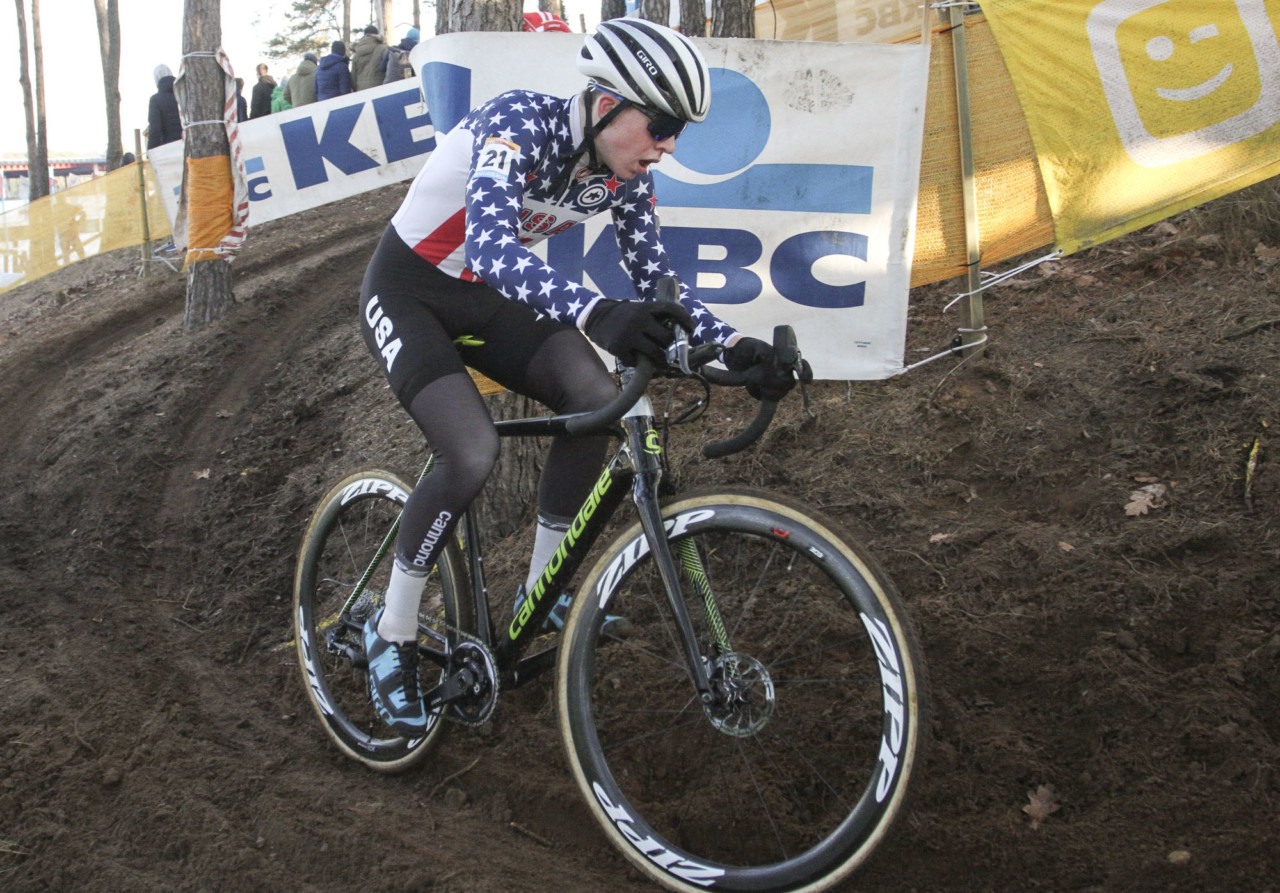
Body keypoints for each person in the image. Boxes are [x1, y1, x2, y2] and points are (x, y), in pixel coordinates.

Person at [356, 20, 806, 734]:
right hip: (409, 291)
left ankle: (544, 586)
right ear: (605, 105)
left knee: (597, 399)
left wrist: (732, 349)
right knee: (471, 451)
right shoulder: (519, 123)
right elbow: (493, 246)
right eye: (659, 124)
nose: (667, 146)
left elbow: (661, 287)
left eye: (677, 132)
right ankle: (393, 625)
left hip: (482, 299)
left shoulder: (621, 178)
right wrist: (600, 315)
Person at [146, 64, 182, 149]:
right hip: (188, 146)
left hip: (168, 148)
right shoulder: (182, 94)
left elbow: (155, 130)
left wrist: (150, 151)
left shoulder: (155, 100)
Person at [350, 25, 386, 91]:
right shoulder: (383, 48)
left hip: (361, 89)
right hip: (379, 87)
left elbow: (353, 76)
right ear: (377, 35)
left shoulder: (357, 52)